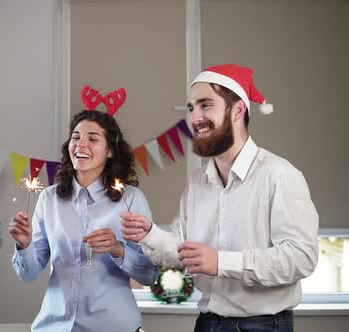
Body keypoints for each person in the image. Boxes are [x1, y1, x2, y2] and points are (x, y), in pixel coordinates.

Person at [121, 64, 319, 332]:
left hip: (264, 326)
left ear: (238, 110)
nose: (195, 117)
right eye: (192, 108)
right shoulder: (196, 183)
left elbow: (301, 257)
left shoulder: (280, 175)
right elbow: (184, 251)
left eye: (205, 105)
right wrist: (150, 234)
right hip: (207, 323)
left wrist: (222, 262)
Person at [9, 110, 157, 332]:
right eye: (76, 137)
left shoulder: (131, 199)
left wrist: (118, 249)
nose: (81, 144)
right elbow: (27, 274)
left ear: (109, 151)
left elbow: (149, 274)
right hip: (53, 326)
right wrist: (24, 244)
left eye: (93, 138)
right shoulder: (49, 198)